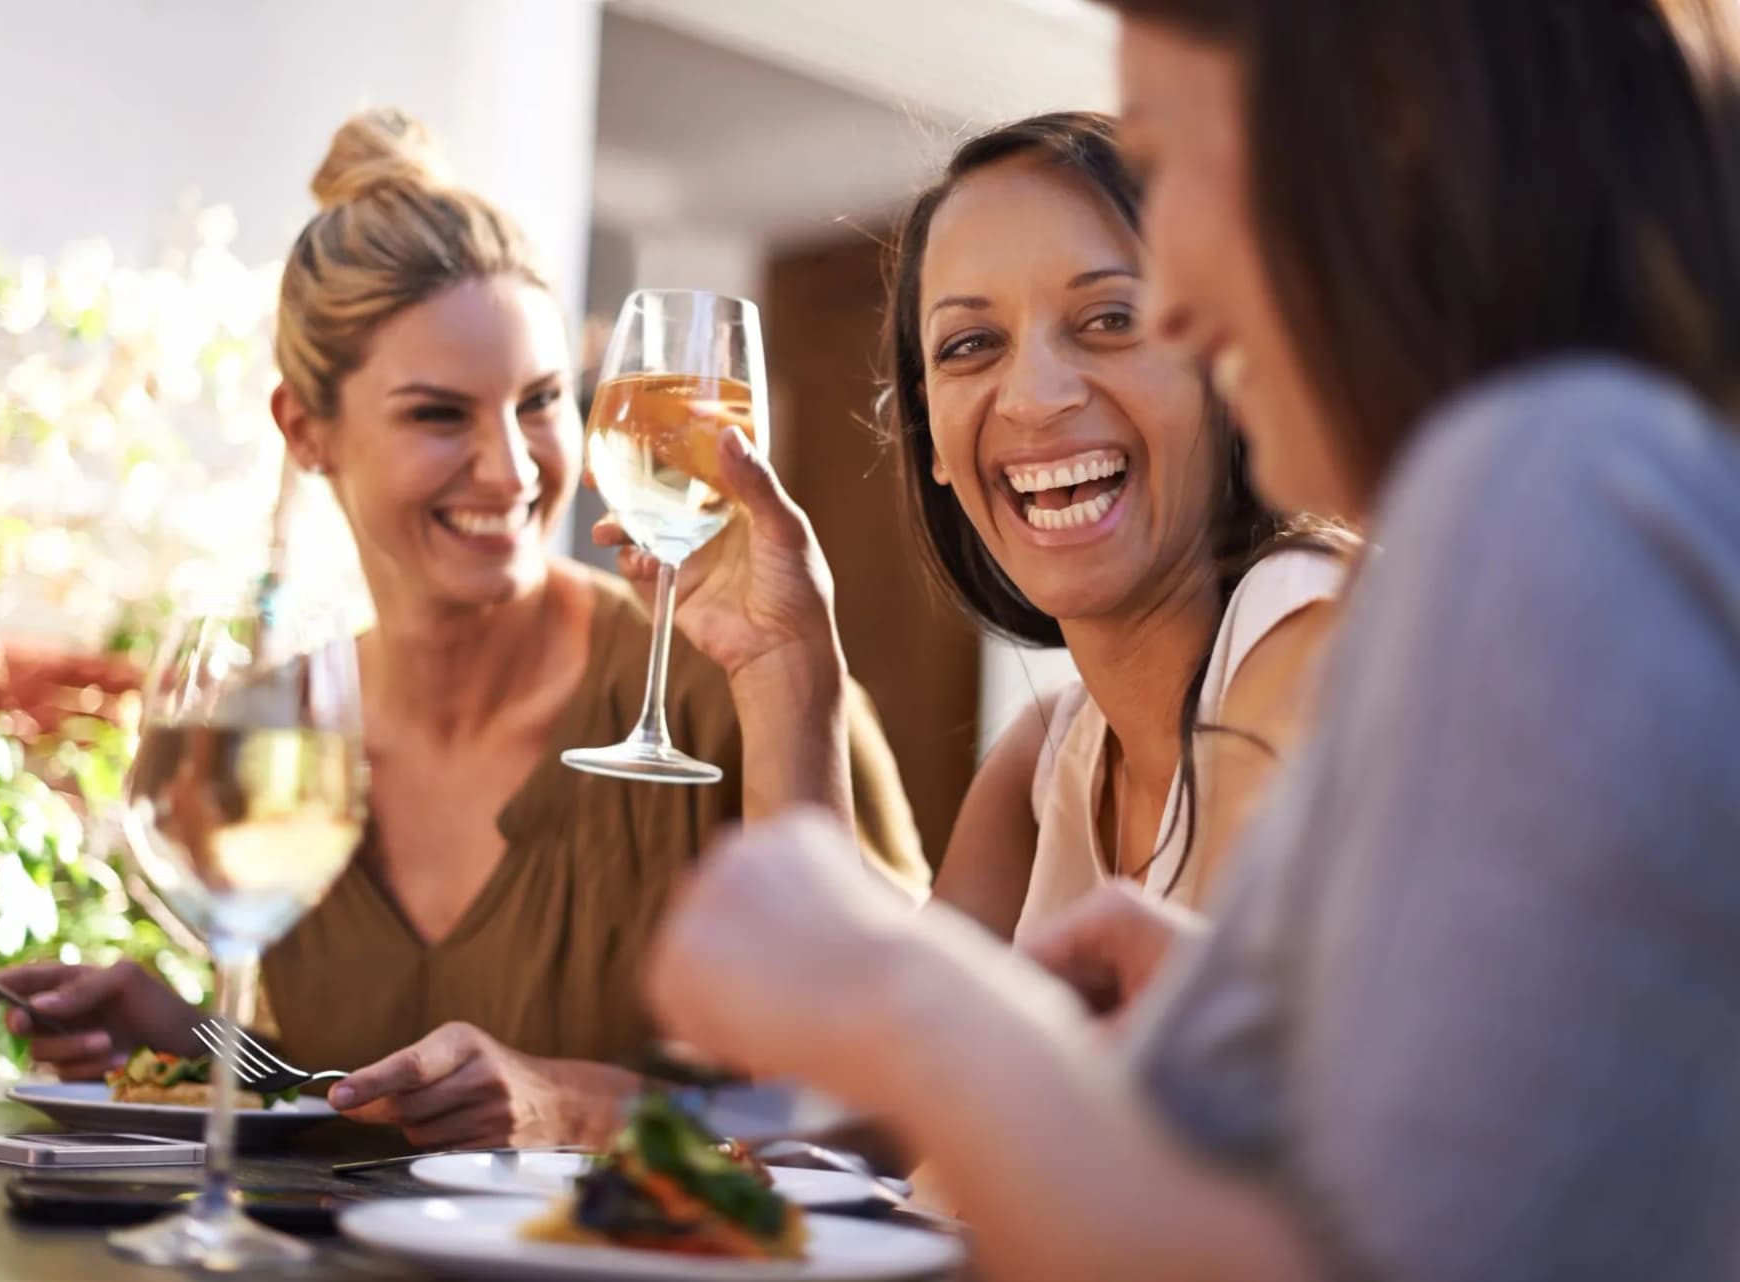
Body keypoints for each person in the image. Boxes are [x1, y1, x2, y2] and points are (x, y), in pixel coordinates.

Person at [645, 2, 1740, 1280]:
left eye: (1169, 171)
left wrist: (909, 995)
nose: (1174, 298)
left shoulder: (1544, 479)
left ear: (1384, 152)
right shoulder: (1575, 486)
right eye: (969, 347)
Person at [0, 108, 927, 1150]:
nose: (515, 469)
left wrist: (570, 1108)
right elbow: (366, 1103)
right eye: (440, 415)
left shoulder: (737, 693)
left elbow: (888, 1113)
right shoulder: (277, 729)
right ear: (307, 432)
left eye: (540, 402)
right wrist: (190, 1041)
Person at [603, 114, 1349, 938]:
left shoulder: (1308, 633)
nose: (1033, 397)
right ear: (934, 442)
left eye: (1109, 319)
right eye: (971, 344)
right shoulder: (1052, 751)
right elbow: (865, 1041)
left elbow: (1234, 1060)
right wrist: (785, 659)